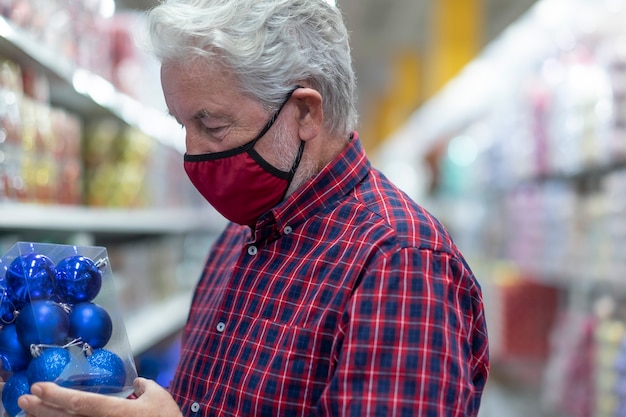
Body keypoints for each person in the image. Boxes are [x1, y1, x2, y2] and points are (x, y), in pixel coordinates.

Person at [16, 0, 489, 416]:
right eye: (182, 123)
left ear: (305, 113)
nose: (193, 152)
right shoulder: (244, 234)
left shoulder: (400, 264)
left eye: (212, 124)